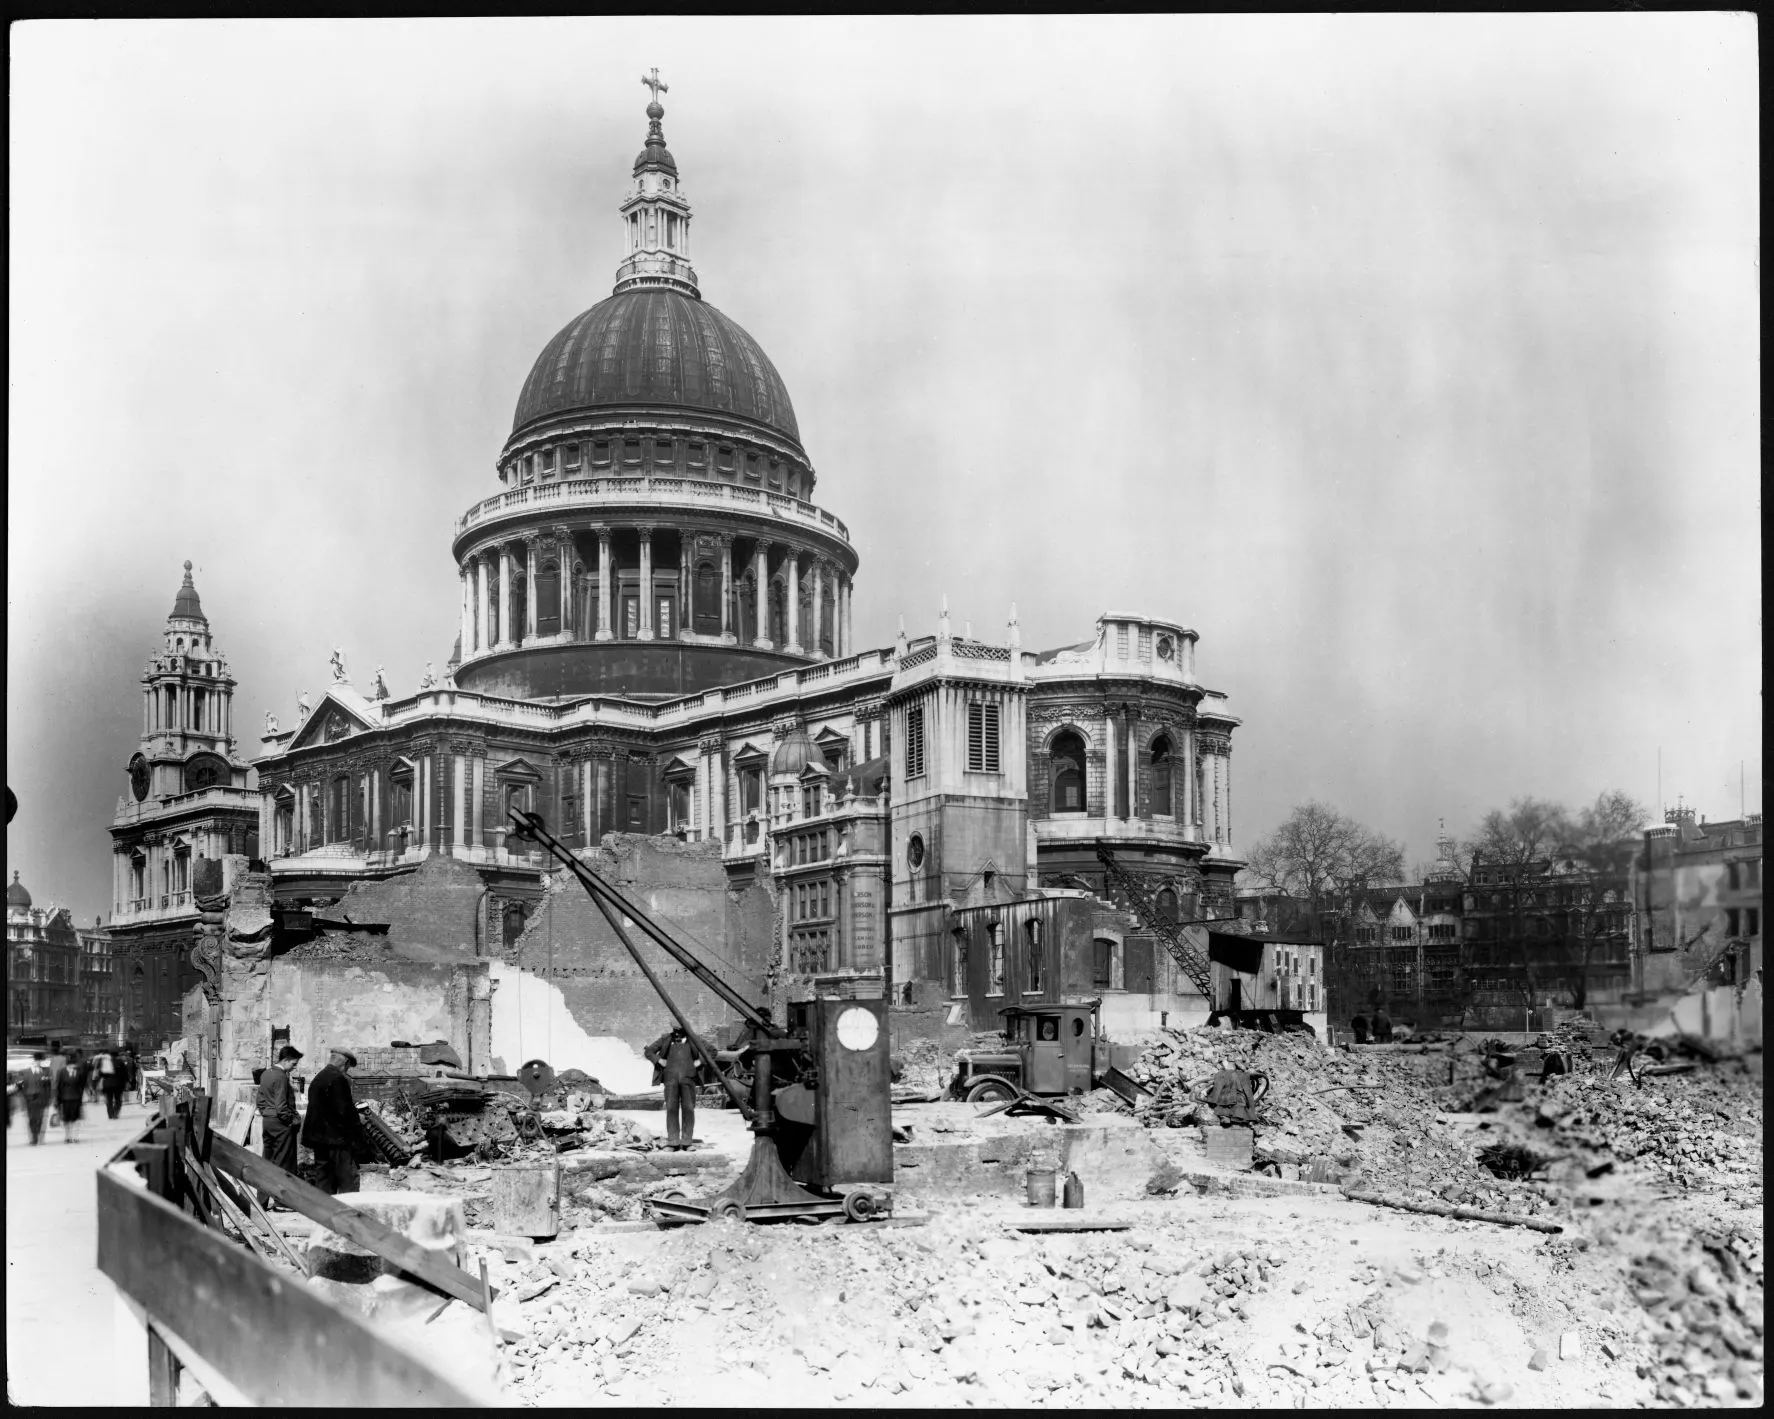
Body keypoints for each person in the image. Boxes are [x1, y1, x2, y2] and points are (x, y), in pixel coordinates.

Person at [299, 1049, 369, 1195]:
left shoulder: (320, 1077)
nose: (347, 1070)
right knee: (348, 1179)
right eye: (348, 1067)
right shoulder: (338, 1079)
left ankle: (324, 1210)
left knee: (325, 1178)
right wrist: (358, 1121)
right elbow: (343, 1111)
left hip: (320, 1138)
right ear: (346, 1063)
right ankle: (350, 1211)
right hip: (336, 1140)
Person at [644, 1022, 706, 1150]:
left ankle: (687, 1143)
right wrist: (659, 1060)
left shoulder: (694, 1039)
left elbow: (712, 1051)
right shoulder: (666, 1039)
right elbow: (649, 1051)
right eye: (674, 1030)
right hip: (670, 1081)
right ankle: (673, 1142)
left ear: (685, 1030)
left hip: (688, 1080)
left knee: (688, 1109)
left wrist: (700, 1061)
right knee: (671, 1109)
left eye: (679, 1031)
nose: (676, 1033)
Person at [255, 1045, 304, 1208]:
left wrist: (267, 1114)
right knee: (284, 1163)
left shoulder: (266, 1074)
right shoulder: (281, 1076)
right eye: (294, 1064)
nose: (294, 1067)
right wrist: (291, 1121)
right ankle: (282, 1201)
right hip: (281, 1123)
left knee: (267, 1161)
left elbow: (260, 1101)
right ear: (287, 1060)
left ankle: (261, 1201)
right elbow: (282, 1105)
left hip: (268, 1120)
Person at [56, 1050, 88, 1143]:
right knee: (66, 1118)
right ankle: (67, 1136)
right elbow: (59, 1086)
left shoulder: (79, 1071)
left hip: (76, 1098)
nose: (74, 1067)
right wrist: (58, 1100)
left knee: (76, 1118)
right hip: (65, 1098)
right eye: (72, 1065)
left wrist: (82, 1098)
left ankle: (75, 1136)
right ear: (68, 1065)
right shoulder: (61, 1072)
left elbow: (82, 1085)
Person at [20, 1053, 53, 1144]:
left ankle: (37, 1134)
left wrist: (48, 1098)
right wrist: (25, 1098)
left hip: (42, 1098)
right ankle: (34, 1136)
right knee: (32, 1118)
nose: (38, 1062)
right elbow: (22, 1086)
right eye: (36, 1060)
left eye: (39, 1060)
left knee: (40, 1117)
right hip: (30, 1098)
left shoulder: (46, 1071)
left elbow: (48, 1086)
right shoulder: (26, 1072)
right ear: (33, 1061)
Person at [98, 1048, 126, 1119]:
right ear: (117, 1056)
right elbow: (124, 1074)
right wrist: (125, 1083)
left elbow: (100, 1074)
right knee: (118, 1100)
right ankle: (116, 1113)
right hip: (118, 1084)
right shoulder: (120, 1062)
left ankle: (110, 1114)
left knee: (109, 1100)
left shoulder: (104, 1063)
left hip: (107, 1085)